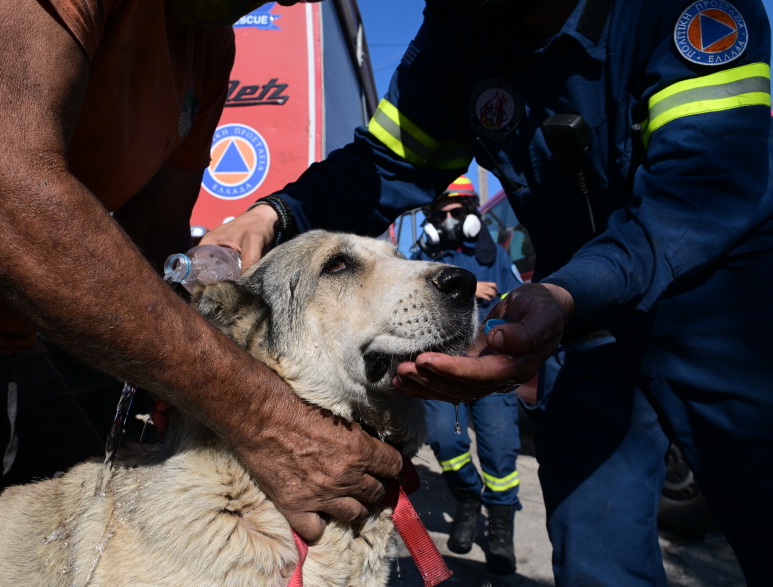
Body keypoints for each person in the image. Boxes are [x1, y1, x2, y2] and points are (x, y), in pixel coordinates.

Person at [204, 0, 773, 584]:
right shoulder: (464, 34)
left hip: (723, 316)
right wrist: (276, 213)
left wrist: (566, 293)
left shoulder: (683, 12)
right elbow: (386, 164)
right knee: (596, 557)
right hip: (588, 326)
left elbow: (702, 190)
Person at [0, 1, 404, 584]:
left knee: (98, 529)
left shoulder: (204, 41)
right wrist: (262, 415)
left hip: (9, 334)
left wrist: (218, 315)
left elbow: (150, 243)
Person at [415, 177, 524, 574]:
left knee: (499, 454)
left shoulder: (492, 254)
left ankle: (500, 529)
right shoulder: (422, 259)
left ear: (472, 213)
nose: (449, 219)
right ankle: (467, 498)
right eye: (441, 212)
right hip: (444, 374)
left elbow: (518, 303)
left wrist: (490, 299)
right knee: (445, 442)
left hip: (490, 372)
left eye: (457, 211)